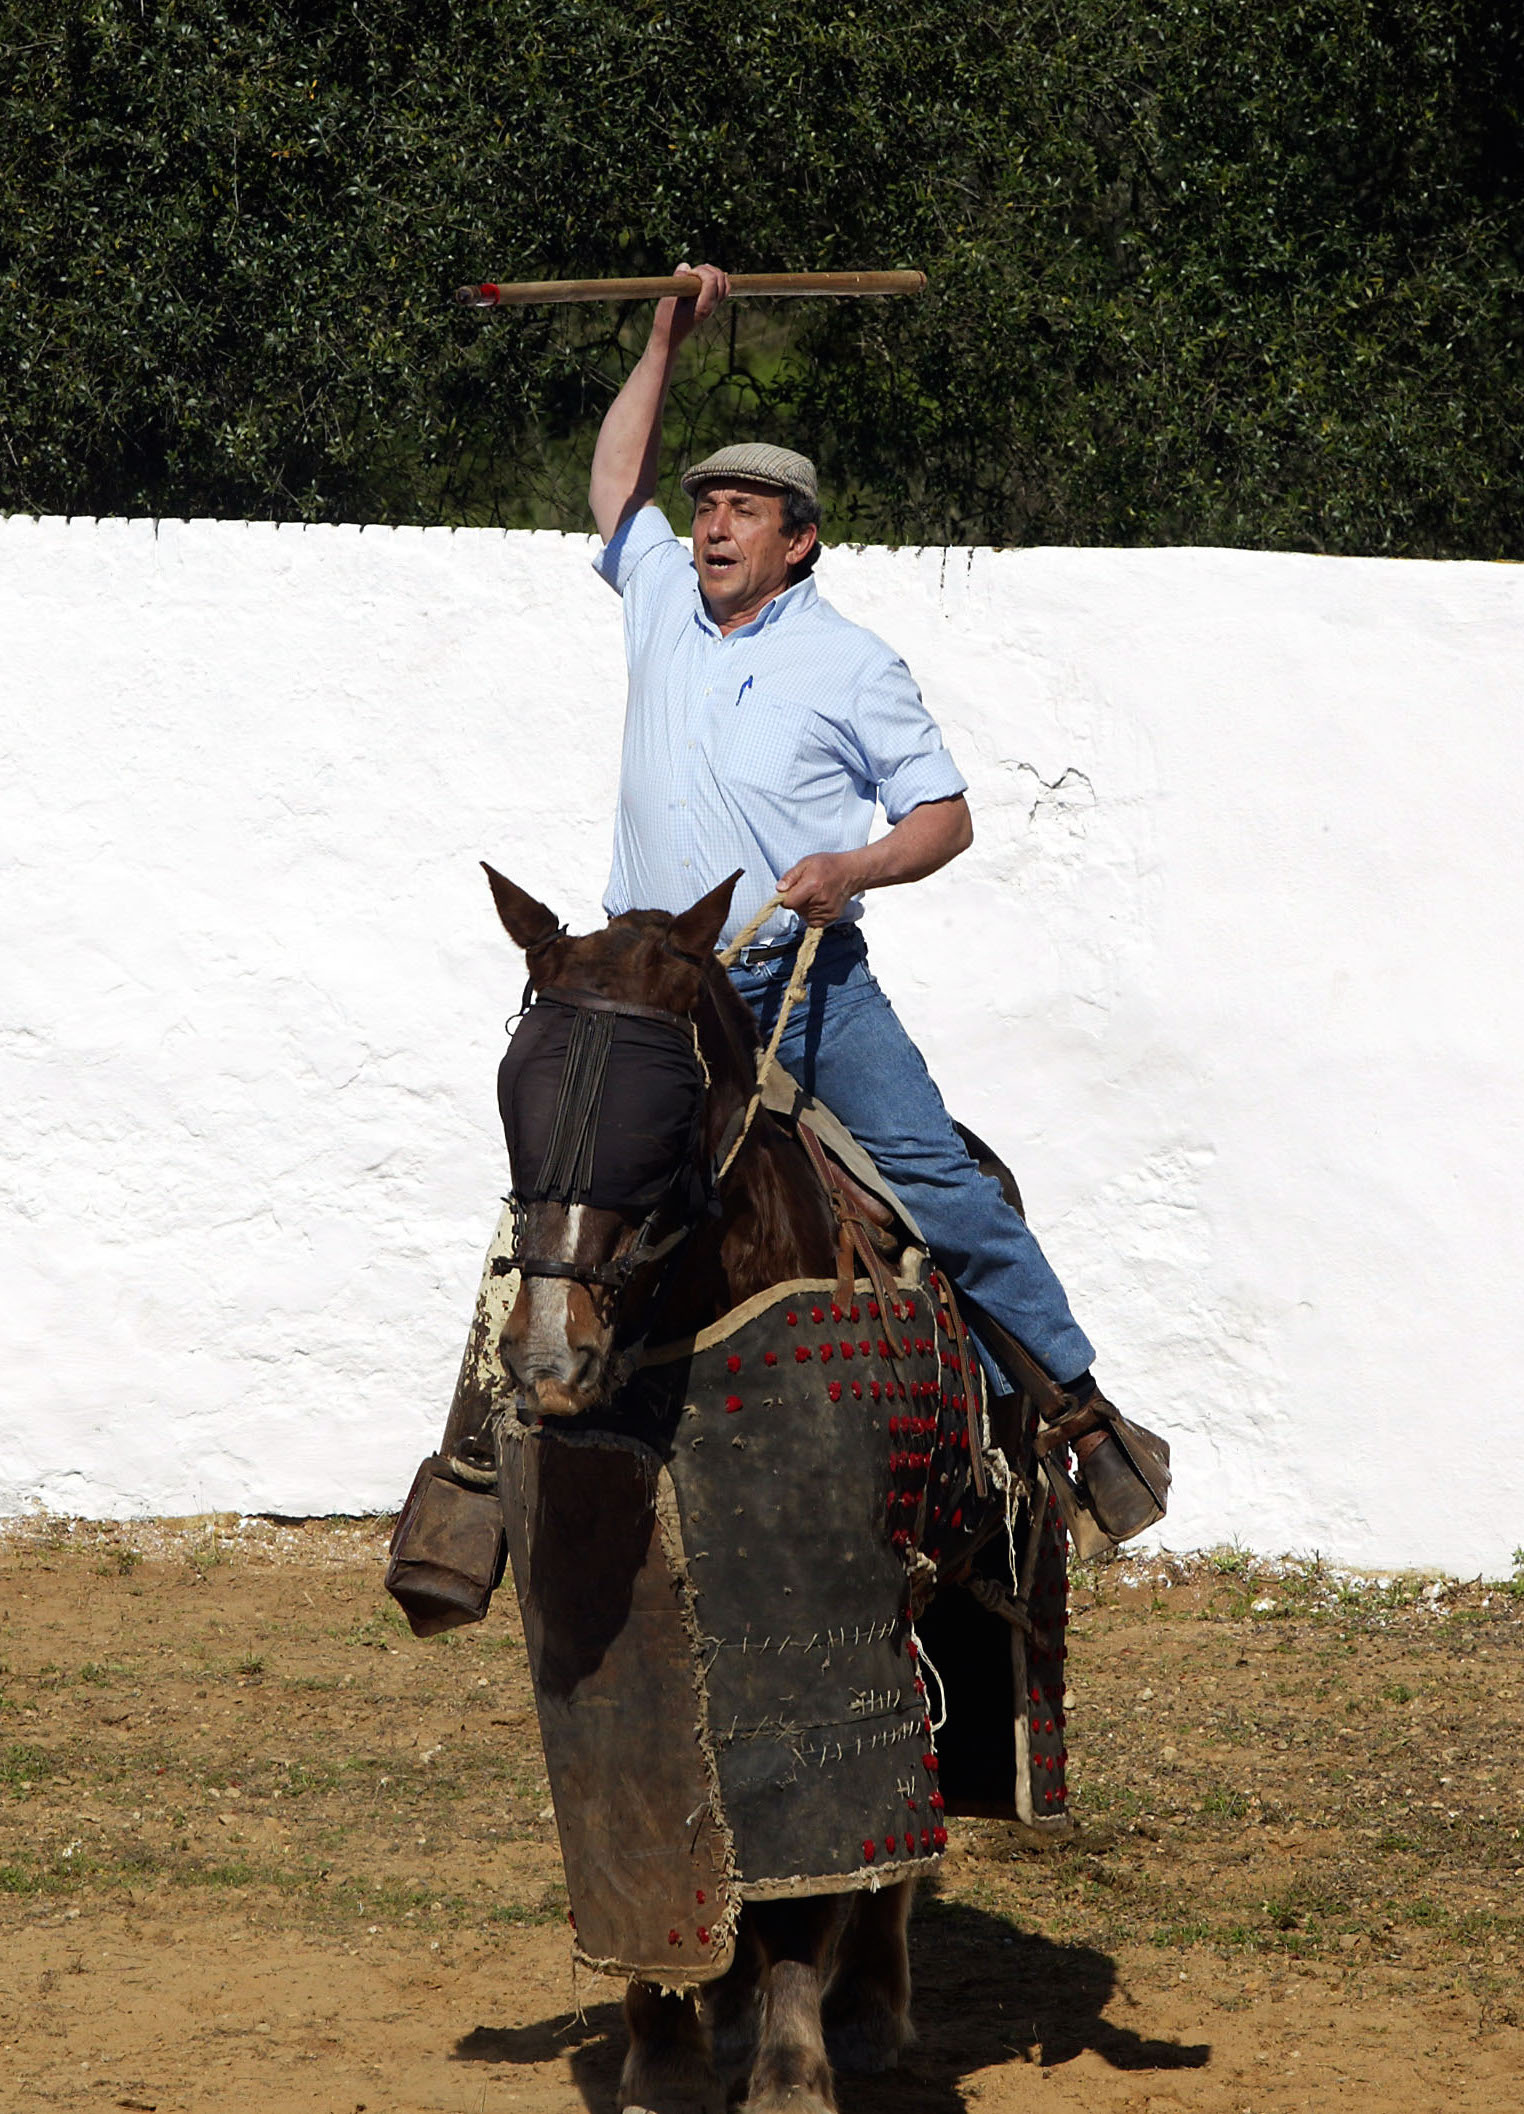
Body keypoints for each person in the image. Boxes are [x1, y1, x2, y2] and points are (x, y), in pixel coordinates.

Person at [586, 261, 1101, 1402]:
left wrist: (852, 869)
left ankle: (1073, 1406)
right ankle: (489, 1458)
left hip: (800, 987)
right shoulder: (663, 593)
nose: (714, 527)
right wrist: (668, 331)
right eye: (707, 505)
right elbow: (619, 481)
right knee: (560, 1193)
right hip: (653, 983)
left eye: (744, 511)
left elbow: (945, 818)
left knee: (938, 1180)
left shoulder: (853, 664)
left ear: (800, 539)